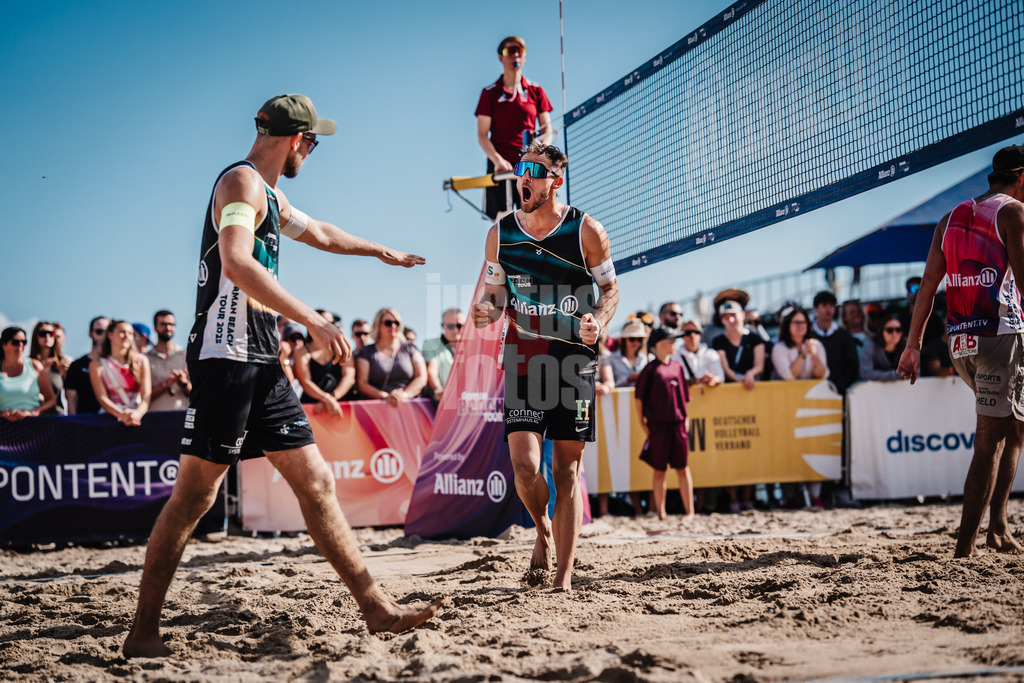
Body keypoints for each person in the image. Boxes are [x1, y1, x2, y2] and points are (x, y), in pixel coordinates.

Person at [122, 94, 442, 659]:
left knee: (316, 482)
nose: (313, 152)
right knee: (196, 495)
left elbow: (318, 232)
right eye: (313, 143)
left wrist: (379, 252)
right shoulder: (241, 185)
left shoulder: (269, 193)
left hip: (262, 360)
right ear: (296, 140)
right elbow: (237, 263)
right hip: (227, 360)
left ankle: (376, 609)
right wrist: (314, 320)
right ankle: (143, 633)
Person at [472, 141, 619, 589]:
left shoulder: (586, 231)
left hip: (573, 359)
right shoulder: (501, 234)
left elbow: (611, 291)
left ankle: (563, 579)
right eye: (521, 170)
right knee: (524, 468)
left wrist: (600, 319)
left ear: (556, 180)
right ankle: (542, 531)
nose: (524, 178)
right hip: (523, 355)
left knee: (567, 471)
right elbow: (495, 296)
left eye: (534, 171)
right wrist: (487, 308)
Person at [897, 144, 1024, 558]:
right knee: (989, 441)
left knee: (1014, 428)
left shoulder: (949, 218)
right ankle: (965, 548)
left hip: (960, 341)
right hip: (998, 337)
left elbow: (928, 286)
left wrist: (913, 344)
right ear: (1021, 177)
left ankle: (999, 528)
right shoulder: (1013, 213)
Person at [476, 36, 553, 220]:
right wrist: (497, 161)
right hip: (500, 168)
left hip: (529, 168)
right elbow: (482, 135)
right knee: (504, 222)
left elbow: (547, 130)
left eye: (520, 51)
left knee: (536, 218)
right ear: (500, 57)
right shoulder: (490, 93)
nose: (516, 55)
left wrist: (539, 155)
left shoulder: (536, 91)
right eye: (510, 51)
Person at [710, 296, 762, 512]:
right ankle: (733, 498)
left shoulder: (755, 338)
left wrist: (750, 374)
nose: (730, 319)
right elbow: (725, 368)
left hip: (751, 396)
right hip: (729, 397)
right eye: (726, 316)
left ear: (743, 315)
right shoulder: (718, 341)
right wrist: (738, 378)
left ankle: (749, 496)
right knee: (730, 447)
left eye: (734, 315)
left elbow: (760, 365)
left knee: (751, 446)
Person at [635, 327, 693, 520]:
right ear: (659, 344)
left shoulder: (677, 366)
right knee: (659, 470)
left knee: (683, 468)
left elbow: (684, 397)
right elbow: (639, 398)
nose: (675, 344)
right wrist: (642, 422)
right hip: (658, 425)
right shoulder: (650, 369)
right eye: (671, 340)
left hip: (677, 423)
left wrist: (686, 419)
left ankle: (690, 512)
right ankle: (661, 513)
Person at [355, 308, 427, 406]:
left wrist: (405, 395)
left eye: (396, 323)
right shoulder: (367, 351)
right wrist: (385, 396)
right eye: (388, 323)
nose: (393, 326)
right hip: (377, 408)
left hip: (409, 406)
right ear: (378, 325)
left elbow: (422, 377)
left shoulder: (410, 348)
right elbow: (362, 383)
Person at [90, 320, 152, 426]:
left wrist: (137, 414)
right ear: (110, 335)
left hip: (136, 420)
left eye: (130, 333)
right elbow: (102, 398)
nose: (126, 336)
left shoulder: (142, 361)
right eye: (122, 332)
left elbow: (146, 394)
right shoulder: (97, 365)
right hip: (110, 421)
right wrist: (121, 415)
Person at [295, 311, 353, 417]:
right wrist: (326, 399)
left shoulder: (343, 345)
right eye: (323, 323)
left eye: (331, 323)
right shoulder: (302, 351)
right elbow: (305, 382)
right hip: (312, 409)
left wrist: (331, 398)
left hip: (341, 405)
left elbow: (349, 377)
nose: (328, 327)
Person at [809, 291, 859, 394]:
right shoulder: (807, 335)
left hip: (840, 393)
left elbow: (852, 367)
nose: (828, 309)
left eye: (831, 305)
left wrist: (838, 386)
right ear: (815, 309)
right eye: (824, 305)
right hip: (812, 392)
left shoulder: (844, 336)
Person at [1, 326, 56, 420]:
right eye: (16, 342)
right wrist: (2, 414)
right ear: (4, 344)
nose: (20, 345)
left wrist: (33, 412)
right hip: (3, 429)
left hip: (32, 427)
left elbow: (51, 400)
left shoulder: (35, 366)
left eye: (24, 342)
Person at [146, 310, 191, 412]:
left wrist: (183, 383)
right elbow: (141, 396)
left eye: (171, 324)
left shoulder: (186, 356)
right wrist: (166, 384)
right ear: (155, 328)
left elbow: (196, 394)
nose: (168, 328)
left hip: (182, 417)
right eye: (163, 324)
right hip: (154, 418)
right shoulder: (146, 358)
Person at [65, 316, 108, 414]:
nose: (103, 336)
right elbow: (72, 400)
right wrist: (73, 425)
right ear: (90, 333)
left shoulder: (114, 364)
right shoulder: (77, 366)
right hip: (84, 424)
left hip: (113, 422)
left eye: (107, 332)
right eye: (99, 331)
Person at [774, 306, 829, 381]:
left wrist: (814, 354)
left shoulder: (816, 344)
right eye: (796, 322)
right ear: (787, 325)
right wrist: (804, 353)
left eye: (803, 322)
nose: (800, 326)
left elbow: (822, 374)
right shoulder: (779, 348)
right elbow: (788, 376)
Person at [422, 308, 464, 401]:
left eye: (459, 325)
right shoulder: (430, 344)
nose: (456, 329)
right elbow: (431, 371)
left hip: (469, 401)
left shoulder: (472, 346)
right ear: (442, 325)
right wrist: (439, 391)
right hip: (444, 401)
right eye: (451, 326)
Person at [30, 321, 68, 414]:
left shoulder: (62, 363)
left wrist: (65, 374)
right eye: (42, 333)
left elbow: (70, 396)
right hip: (33, 418)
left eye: (51, 333)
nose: (47, 336)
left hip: (57, 417)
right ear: (36, 336)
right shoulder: (28, 364)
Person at [677, 318, 723, 387]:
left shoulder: (711, 354)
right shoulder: (674, 357)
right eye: (688, 333)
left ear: (701, 334)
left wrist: (713, 379)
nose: (692, 335)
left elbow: (720, 376)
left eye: (696, 332)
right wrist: (698, 381)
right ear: (681, 336)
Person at [859, 314, 906, 381]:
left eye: (898, 329)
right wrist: (896, 375)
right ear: (881, 331)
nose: (894, 333)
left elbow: (914, 373)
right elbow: (865, 373)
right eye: (890, 330)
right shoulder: (870, 346)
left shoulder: (907, 345)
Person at [607, 319, 648, 388]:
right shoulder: (610, 359)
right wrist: (628, 379)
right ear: (624, 339)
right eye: (632, 339)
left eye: (639, 339)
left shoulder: (645, 358)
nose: (636, 342)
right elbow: (608, 385)